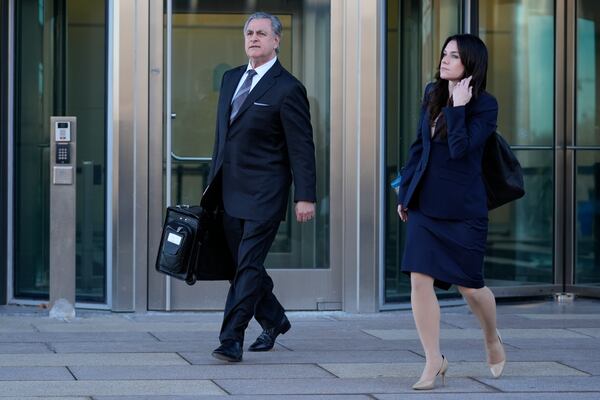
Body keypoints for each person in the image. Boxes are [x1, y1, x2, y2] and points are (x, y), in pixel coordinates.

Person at [203, 12, 317, 363]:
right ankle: (274, 318)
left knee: (249, 264)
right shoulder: (231, 78)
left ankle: (231, 339)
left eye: (262, 33)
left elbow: (302, 147)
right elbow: (223, 139)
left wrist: (305, 196)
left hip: (265, 193)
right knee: (240, 266)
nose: (254, 38)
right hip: (227, 191)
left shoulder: (288, 88)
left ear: (276, 40)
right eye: (249, 32)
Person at [396, 34, 506, 390]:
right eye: (444, 54)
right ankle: (433, 359)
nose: (444, 60)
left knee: (471, 289)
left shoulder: (485, 106)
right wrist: (406, 191)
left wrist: (458, 107)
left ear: (471, 63)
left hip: (464, 209)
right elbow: (419, 147)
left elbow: (460, 150)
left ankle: (491, 336)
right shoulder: (432, 93)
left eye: (454, 56)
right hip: (425, 204)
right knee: (419, 280)